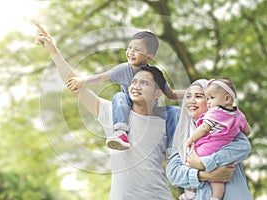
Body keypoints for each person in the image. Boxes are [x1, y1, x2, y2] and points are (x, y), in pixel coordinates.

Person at [35, 22, 173, 199]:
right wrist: (54, 52)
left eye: (145, 83)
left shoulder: (167, 120)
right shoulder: (113, 114)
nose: (136, 86)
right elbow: (75, 87)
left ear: (157, 92)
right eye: (134, 81)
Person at [67, 30, 185, 150]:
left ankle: (172, 147)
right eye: (129, 48)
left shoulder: (154, 74)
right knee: (119, 96)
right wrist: (82, 80)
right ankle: (121, 133)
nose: (131, 52)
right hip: (130, 109)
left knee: (175, 111)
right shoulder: (124, 69)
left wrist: (192, 92)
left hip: (150, 111)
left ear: (149, 57)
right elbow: (101, 77)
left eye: (137, 50)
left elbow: (171, 94)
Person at [166, 79, 253, 200]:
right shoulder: (184, 135)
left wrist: (203, 163)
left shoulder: (227, 127)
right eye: (188, 96)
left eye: (199, 96)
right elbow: (173, 173)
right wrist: (206, 175)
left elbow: (244, 147)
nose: (192, 101)